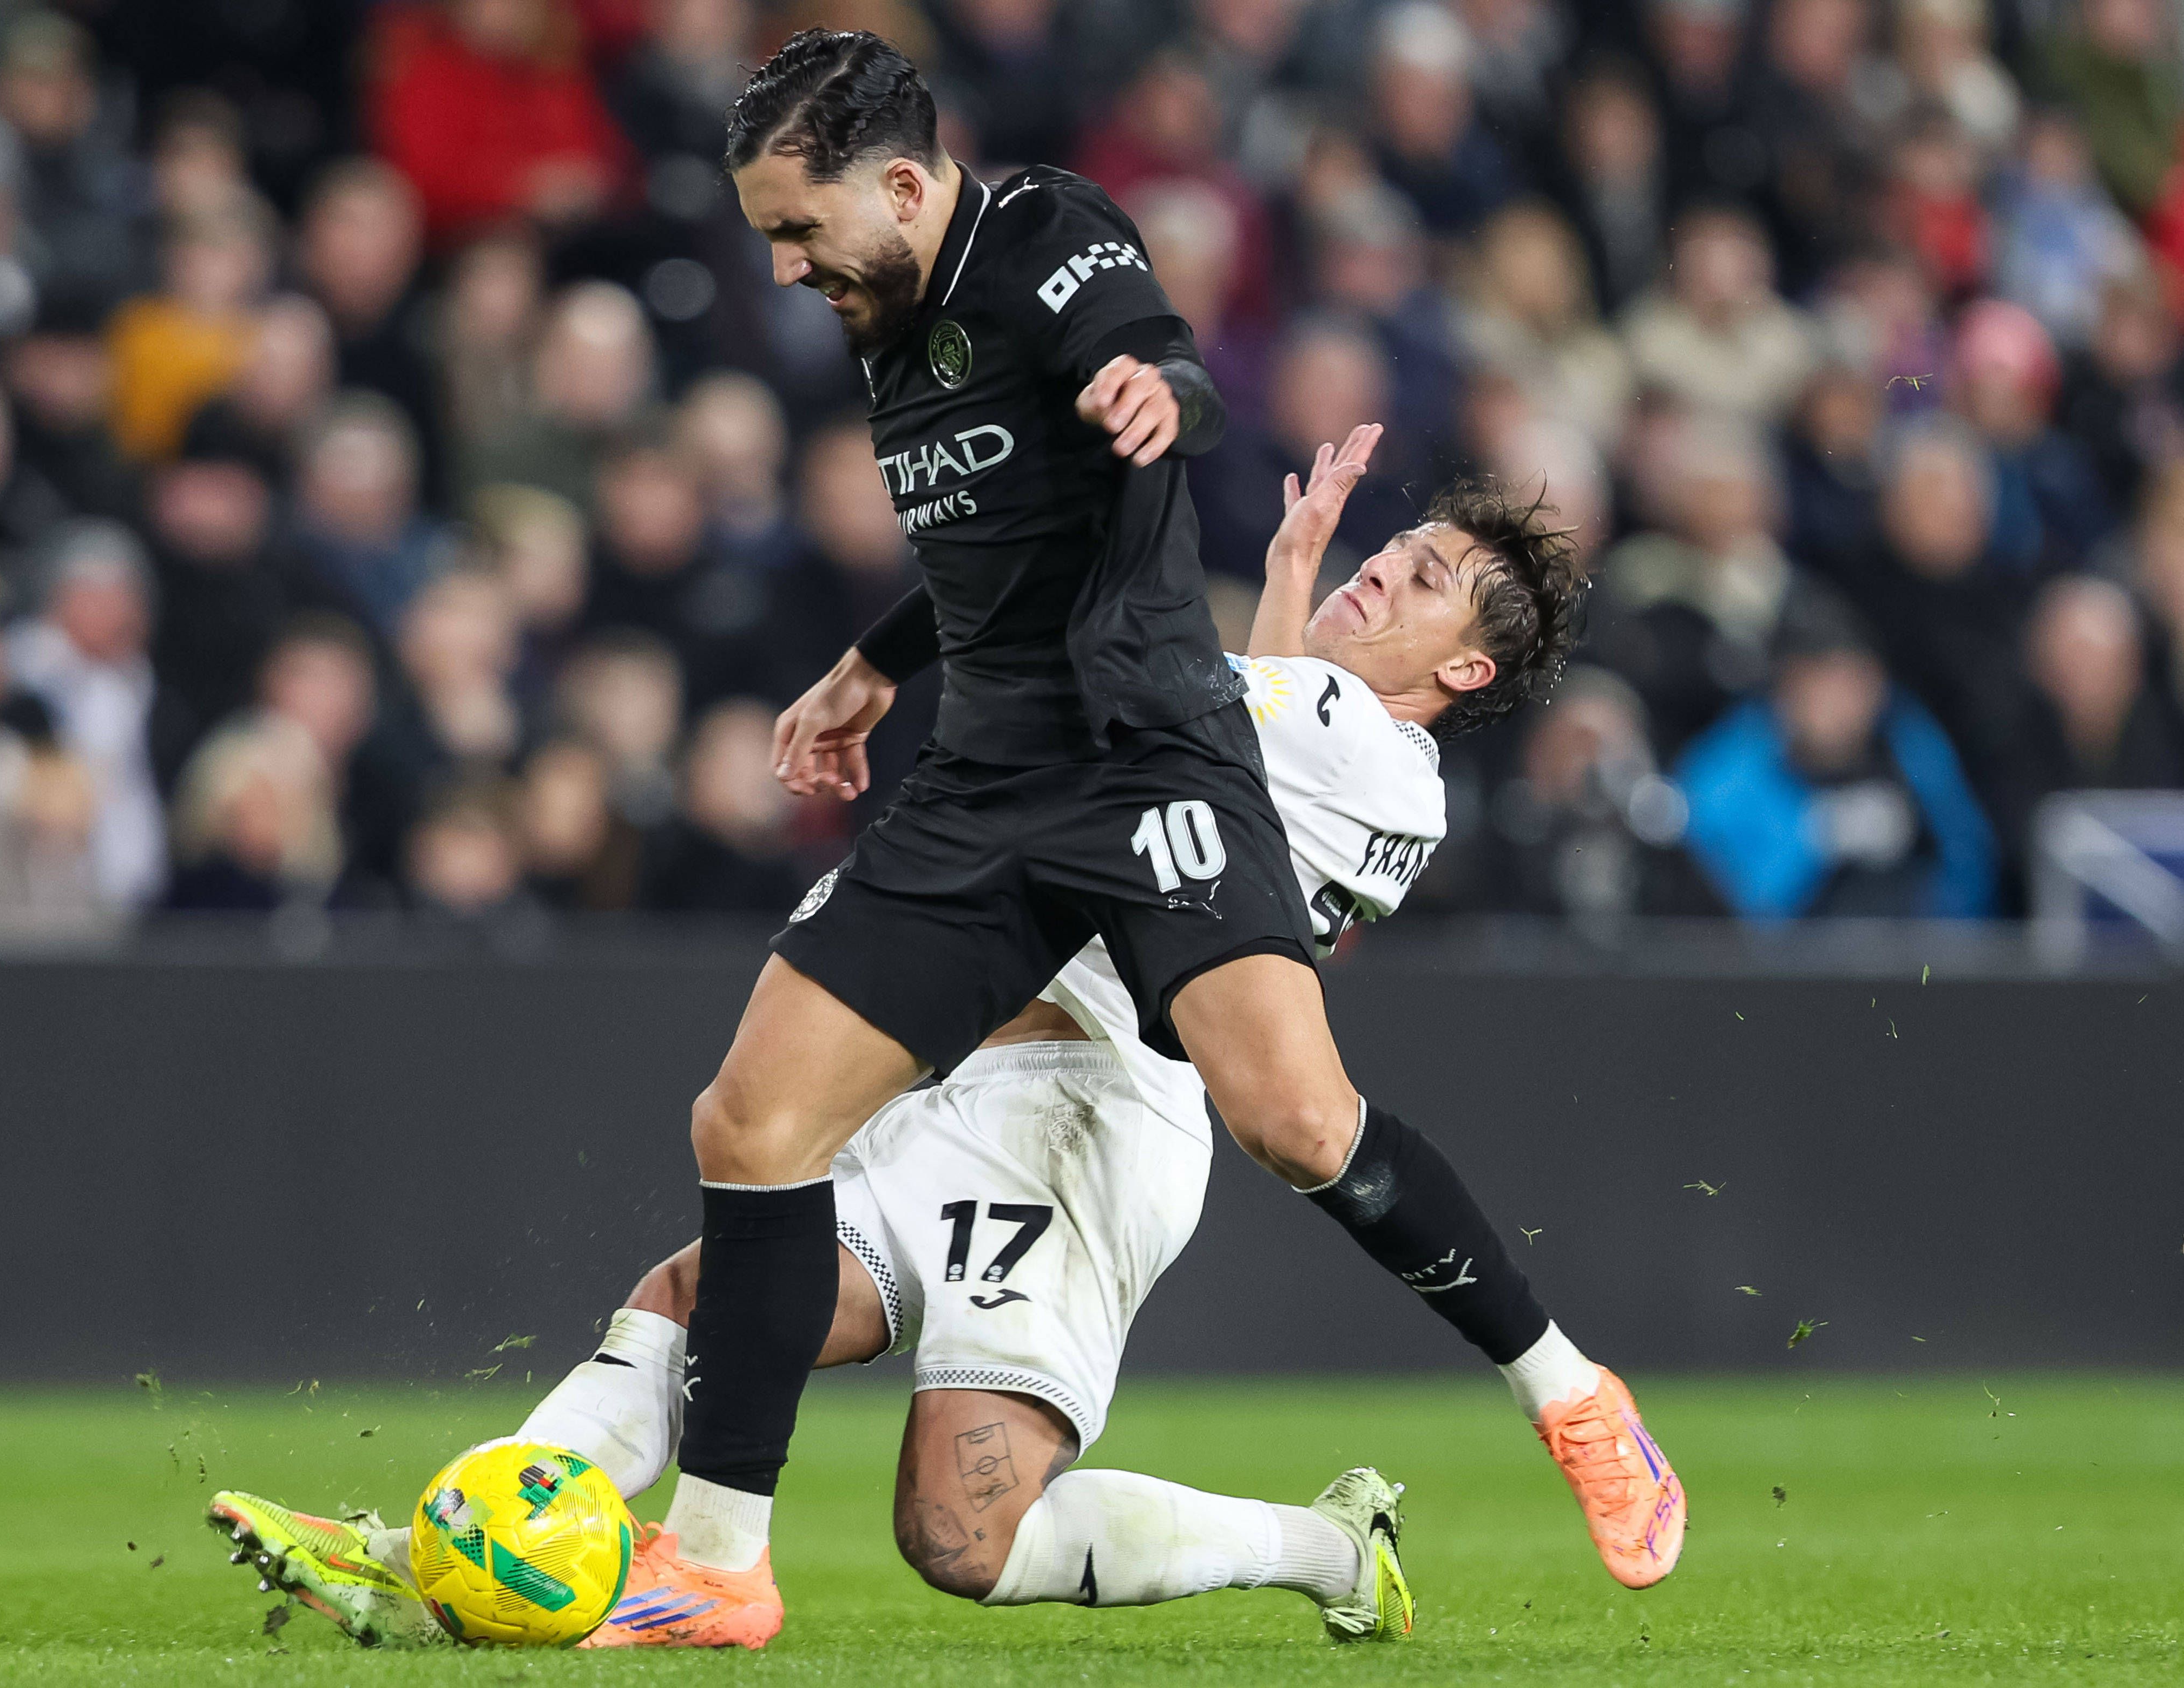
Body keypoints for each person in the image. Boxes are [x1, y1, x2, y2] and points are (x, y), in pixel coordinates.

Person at [539, 31, 1679, 1647]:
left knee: (1297, 1122)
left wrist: (1166, 395)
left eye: (797, 229)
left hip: (1130, 865)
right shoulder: (897, 331)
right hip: (997, 788)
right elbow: (1018, 553)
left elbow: (1167, 381)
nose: (785, 265)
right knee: (749, 1128)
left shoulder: (1048, 234)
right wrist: (883, 656)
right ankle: (698, 1559)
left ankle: (1567, 1392)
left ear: (904, 186)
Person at [203, 442, 1602, 1652]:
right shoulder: (1343, 747)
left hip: (1088, 1126)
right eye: (1397, 549)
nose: (1384, 568)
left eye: (1424, 579)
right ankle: (437, 1554)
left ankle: (1333, 1550)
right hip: (984, 1085)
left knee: (963, 1534)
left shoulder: (1356, 743)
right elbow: (1253, 742)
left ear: (1465, 667)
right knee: (699, 1298)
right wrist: (1294, 573)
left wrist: (989, 588)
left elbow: (1183, 688)